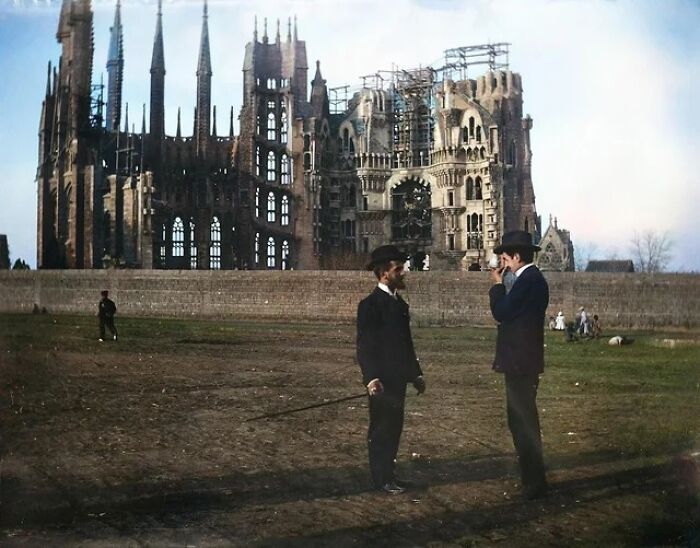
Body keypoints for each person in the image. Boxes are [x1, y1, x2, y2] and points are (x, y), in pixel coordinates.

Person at [356, 245, 426, 495]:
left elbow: (405, 345)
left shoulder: (400, 305)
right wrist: (371, 378)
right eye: (399, 269)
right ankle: (381, 479)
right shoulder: (370, 305)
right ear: (384, 273)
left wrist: (415, 374)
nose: (403, 273)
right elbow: (365, 346)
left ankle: (389, 475)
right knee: (381, 429)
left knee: (394, 427)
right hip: (381, 383)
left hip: (397, 381)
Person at [489, 230, 549, 499]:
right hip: (522, 361)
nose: (504, 264)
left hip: (519, 363)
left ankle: (533, 481)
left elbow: (501, 312)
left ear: (516, 256)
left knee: (523, 422)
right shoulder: (532, 280)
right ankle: (531, 478)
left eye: (506, 258)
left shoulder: (529, 281)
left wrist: (497, 285)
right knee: (520, 420)